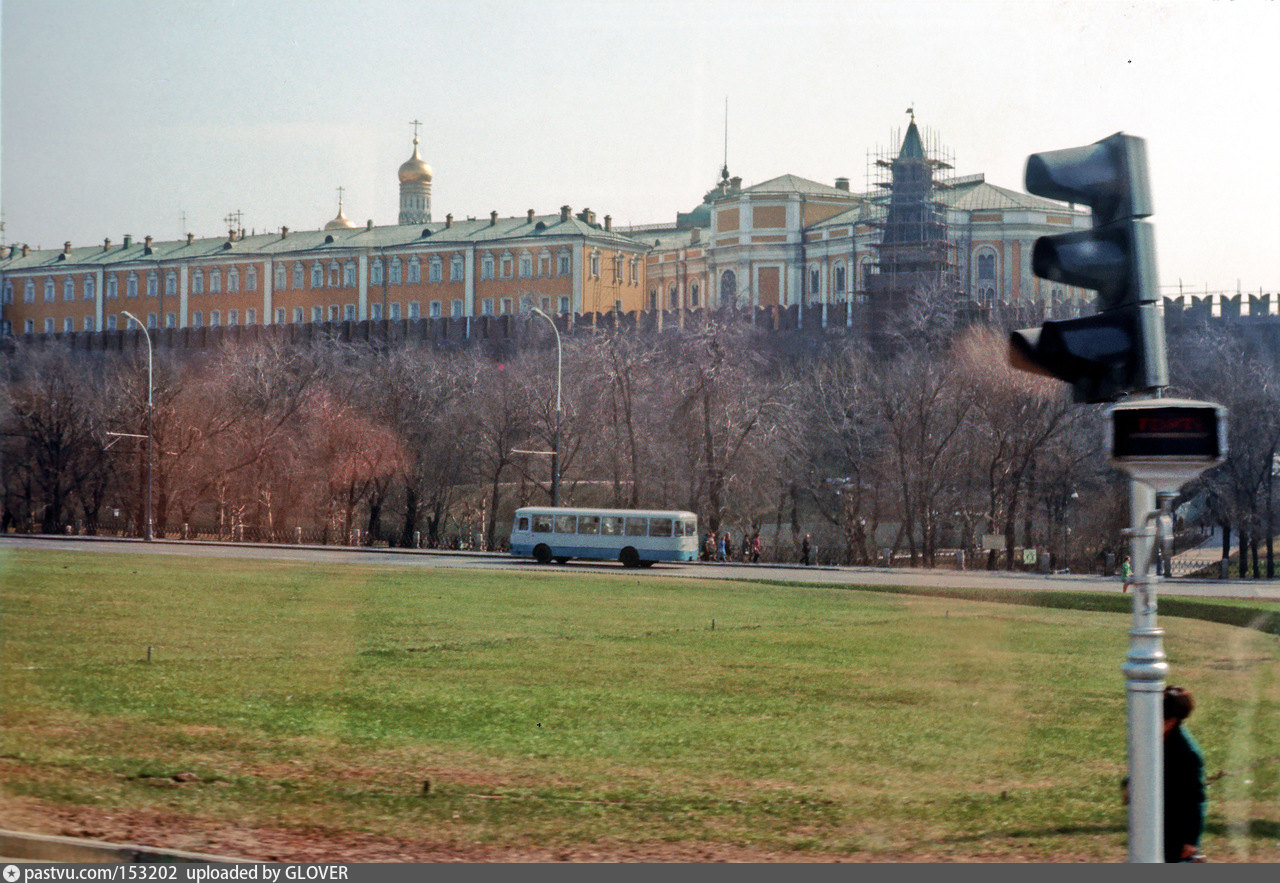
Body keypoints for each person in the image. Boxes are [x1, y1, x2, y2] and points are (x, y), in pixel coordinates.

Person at [1163, 686, 1207, 863]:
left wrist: (1191, 840)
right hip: (1154, 822)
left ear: (1171, 721)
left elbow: (1197, 800)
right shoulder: (1152, 740)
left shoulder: (1187, 753)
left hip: (1176, 830)